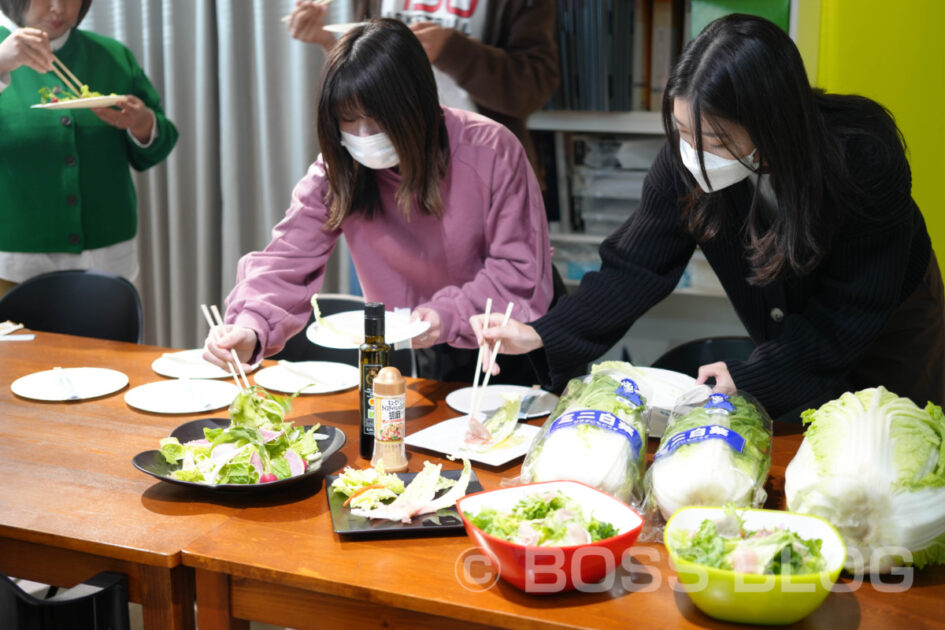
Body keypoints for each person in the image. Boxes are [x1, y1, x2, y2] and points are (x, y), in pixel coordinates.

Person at [471, 14, 945, 418]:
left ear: (772, 124)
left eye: (717, 143)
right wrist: (540, 332)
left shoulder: (861, 160)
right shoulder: (687, 151)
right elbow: (635, 266)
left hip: (886, 328)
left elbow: (848, 315)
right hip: (797, 330)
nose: (695, 154)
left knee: (886, 451)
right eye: (682, 130)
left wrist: (755, 374)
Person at [202, 18, 553, 385]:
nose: (363, 135)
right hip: (420, 340)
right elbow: (287, 258)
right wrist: (250, 326)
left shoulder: (491, 150)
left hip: (507, 338)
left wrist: (446, 314)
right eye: (348, 120)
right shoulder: (339, 169)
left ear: (415, 104)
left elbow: (517, 271)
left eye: (377, 120)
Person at [0, 0, 178, 297]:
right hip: (15, 262)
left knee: (108, 342)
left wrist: (143, 122)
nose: (58, 8)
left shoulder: (112, 56)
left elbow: (158, 144)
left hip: (108, 257)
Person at [284, 0, 559, 173]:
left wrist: (453, 49)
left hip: (483, 169)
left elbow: (533, 87)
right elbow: (369, 76)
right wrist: (331, 44)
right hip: (386, 169)